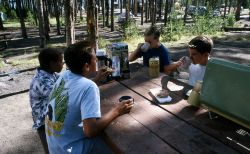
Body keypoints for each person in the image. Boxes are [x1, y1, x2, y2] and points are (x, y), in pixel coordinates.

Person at [45, 41, 133, 154]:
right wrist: (117, 110)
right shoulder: (88, 87)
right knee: (115, 145)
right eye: (95, 59)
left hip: (55, 147)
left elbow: (76, 87)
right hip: (69, 150)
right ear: (86, 66)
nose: (96, 61)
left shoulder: (64, 75)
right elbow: (90, 131)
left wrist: (96, 79)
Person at [29, 48, 64, 154]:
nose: (63, 63)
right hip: (43, 123)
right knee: (51, 150)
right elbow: (63, 95)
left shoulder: (50, 74)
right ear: (52, 63)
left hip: (48, 118)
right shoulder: (42, 80)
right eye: (61, 61)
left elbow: (66, 82)